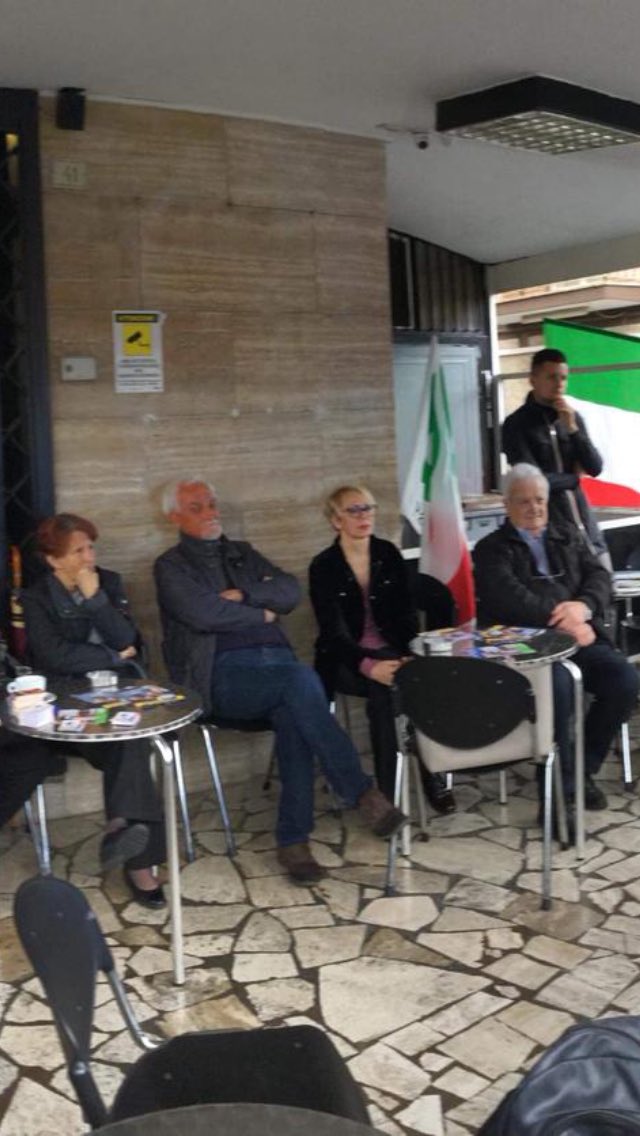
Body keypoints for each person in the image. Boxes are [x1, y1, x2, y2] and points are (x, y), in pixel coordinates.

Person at [154, 477, 407, 885]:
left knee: (294, 709)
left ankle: (294, 842)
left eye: (212, 503)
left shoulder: (242, 553)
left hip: (278, 667)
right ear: (174, 517)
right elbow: (203, 614)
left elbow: (288, 592)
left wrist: (243, 596)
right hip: (221, 676)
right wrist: (261, 611)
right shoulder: (171, 567)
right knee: (299, 681)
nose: (211, 513)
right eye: (197, 507)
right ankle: (361, 791)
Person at [473, 463, 638, 828]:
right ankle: (558, 794)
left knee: (624, 681)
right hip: (529, 648)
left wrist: (584, 607)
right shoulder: (490, 549)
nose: (534, 508)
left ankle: (581, 770)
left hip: (580, 636)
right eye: (524, 501)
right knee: (558, 690)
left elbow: (600, 577)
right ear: (507, 505)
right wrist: (569, 622)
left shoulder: (567, 534)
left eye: (540, 500)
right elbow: (510, 599)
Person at [22, 513, 166, 907]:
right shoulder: (35, 599)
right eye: (78, 551)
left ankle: (120, 831)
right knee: (130, 741)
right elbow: (54, 656)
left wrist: (96, 599)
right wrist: (113, 656)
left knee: (131, 736)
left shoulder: (109, 583)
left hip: (118, 695)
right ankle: (139, 866)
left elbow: (128, 637)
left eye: (91, 547)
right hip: (67, 706)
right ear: (53, 559)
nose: (89, 557)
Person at [308, 484, 455, 813]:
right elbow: (333, 633)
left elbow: (405, 615)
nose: (364, 516)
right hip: (346, 660)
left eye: (368, 508)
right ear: (336, 520)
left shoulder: (387, 553)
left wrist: (408, 654)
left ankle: (400, 788)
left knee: (403, 684)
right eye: (354, 510)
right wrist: (368, 666)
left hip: (393, 651)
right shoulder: (324, 566)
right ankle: (405, 786)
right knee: (387, 690)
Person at [502, 347, 609, 561]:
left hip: (585, 523)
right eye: (551, 377)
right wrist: (573, 479)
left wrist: (573, 430)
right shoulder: (516, 424)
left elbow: (595, 467)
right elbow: (532, 482)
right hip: (548, 526)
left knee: (603, 575)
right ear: (533, 379)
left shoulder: (572, 417)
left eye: (563, 378)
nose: (559, 384)